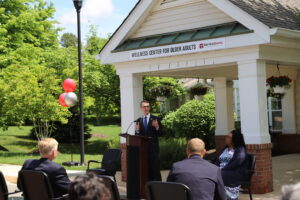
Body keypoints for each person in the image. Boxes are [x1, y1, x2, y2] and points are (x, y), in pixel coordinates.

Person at [215, 130, 248, 200]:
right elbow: (218, 160)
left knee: (216, 176)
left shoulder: (240, 149)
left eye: (228, 137)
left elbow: (237, 162)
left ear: (234, 139)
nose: (226, 138)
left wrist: (222, 170)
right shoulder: (225, 149)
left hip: (233, 172)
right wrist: (215, 168)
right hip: (221, 171)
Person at [135, 100, 163, 181]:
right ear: (141, 108)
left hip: (153, 150)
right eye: (144, 107)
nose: (146, 108)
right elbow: (137, 137)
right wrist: (136, 131)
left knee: (155, 170)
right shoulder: (138, 120)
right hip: (143, 151)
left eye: (148, 106)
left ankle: (157, 188)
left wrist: (157, 127)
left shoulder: (155, 118)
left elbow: (161, 133)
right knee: (145, 171)